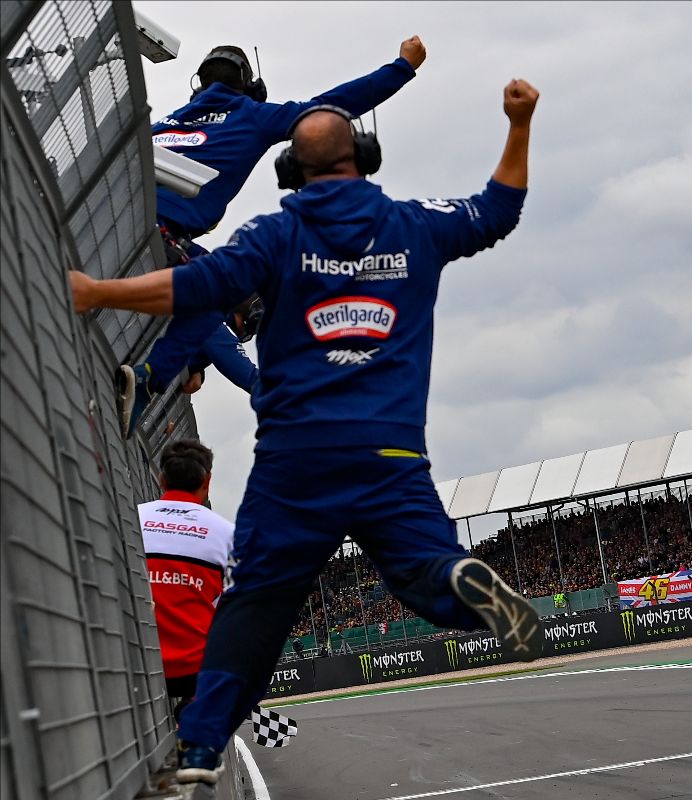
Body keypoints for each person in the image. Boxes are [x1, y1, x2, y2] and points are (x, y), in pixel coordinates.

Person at [71, 76, 543, 785]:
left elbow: (197, 289)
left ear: (292, 171)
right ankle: (456, 577)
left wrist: (100, 292)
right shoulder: (418, 224)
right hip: (391, 454)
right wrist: (519, 121)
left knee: (256, 607)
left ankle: (198, 750)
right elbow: (498, 209)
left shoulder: (275, 233)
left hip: (296, 459)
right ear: (365, 156)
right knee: (423, 574)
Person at [119, 37, 428, 438]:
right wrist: (403, 67)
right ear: (248, 86)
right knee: (220, 287)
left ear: (200, 84)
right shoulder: (252, 115)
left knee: (219, 277)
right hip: (159, 235)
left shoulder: (166, 124)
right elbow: (333, 106)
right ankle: (150, 379)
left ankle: (172, 368)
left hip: (122, 223)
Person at [138, 439, 234, 724]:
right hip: (195, 671)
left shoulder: (133, 517)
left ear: (161, 478)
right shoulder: (226, 534)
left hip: (139, 664)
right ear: (208, 481)